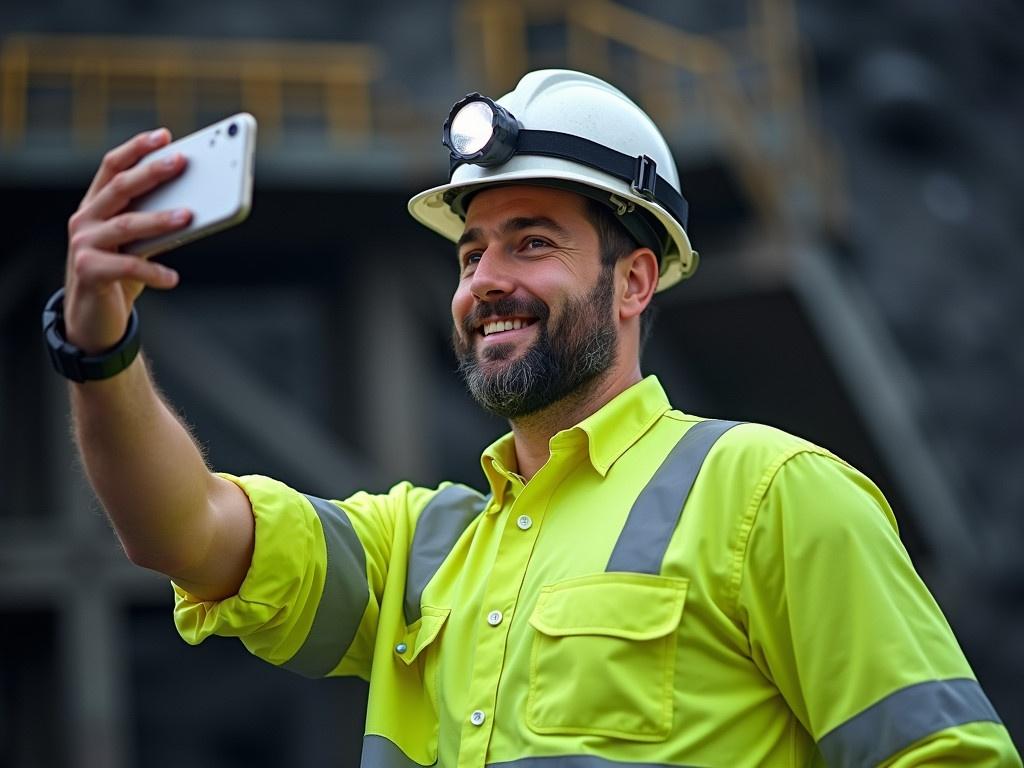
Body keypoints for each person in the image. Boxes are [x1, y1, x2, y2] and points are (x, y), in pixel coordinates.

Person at [45, 69, 1020, 767]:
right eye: (471, 253)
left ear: (633, 279)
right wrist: (99, 348)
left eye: (532, 242)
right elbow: (181, 529)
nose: (486, 281)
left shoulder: (771, 494)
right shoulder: (416, 553)